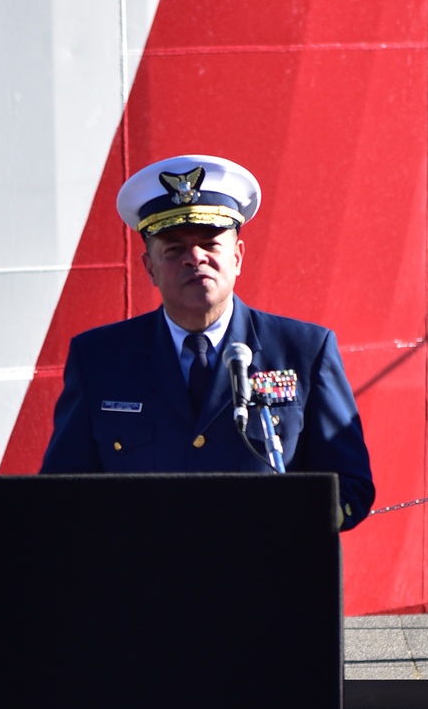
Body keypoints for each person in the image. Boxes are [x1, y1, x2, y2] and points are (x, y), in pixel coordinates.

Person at [40, 154, 374, 527]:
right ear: (150, 268)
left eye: (210, 244)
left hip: (264, 578)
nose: (195, 258)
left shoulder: (305, 351)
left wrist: (287, 525)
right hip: (146, 580)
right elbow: (62, 490)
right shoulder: (99, 359)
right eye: (174, 248)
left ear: (237, 256)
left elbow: (351, 486)